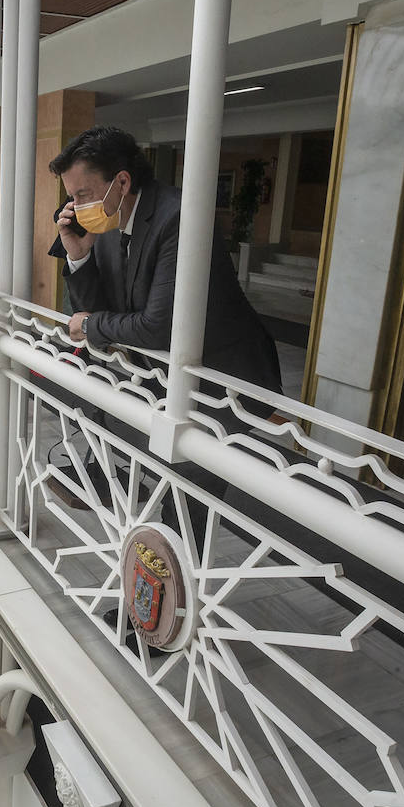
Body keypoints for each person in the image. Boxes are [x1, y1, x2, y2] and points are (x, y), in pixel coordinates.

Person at [46, 126, 282, 518]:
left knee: (189, 499)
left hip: (221, 385)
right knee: (158, 476)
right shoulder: (106, 222)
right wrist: (78, 255)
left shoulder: (179, 218)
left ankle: (175, 572)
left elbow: (156, 326)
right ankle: (151, 559)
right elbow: (101, 312)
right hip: (162, 381)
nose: (75, 206)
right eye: (71, 197)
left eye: (82, 194)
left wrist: (90, 327)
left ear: (121, 181)